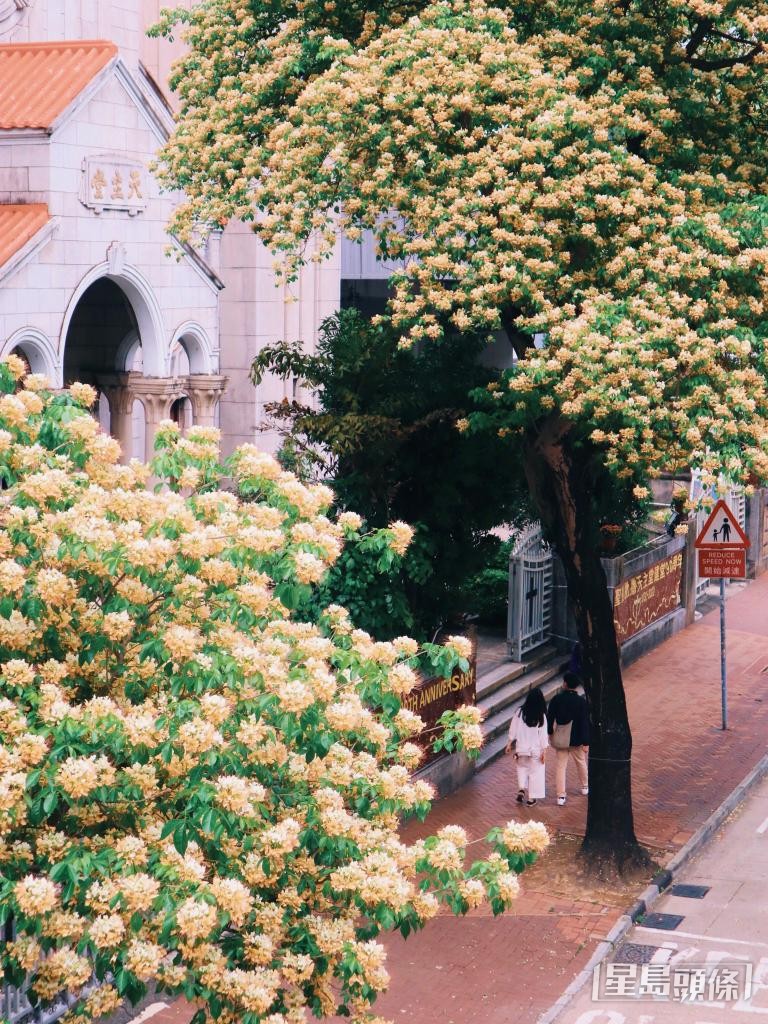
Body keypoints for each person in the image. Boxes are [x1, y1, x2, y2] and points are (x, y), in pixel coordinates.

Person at [547, 669, 590, 806]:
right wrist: (586, 741)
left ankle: (561, 796)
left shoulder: (556, 699)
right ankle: (585, 786)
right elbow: (584, 722)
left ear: (565, 684)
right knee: (581, 762)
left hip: (561, 738)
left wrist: (550, 732)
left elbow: (550, 717)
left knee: (561, 767)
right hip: (577, 739)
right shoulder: (581, 702)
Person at [505, 686, 548, 806]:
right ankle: (531, 798)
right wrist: (544, 751)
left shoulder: (519, 712)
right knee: (535, 772)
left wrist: (509, 743)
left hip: (521, 749)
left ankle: (521, 788)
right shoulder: (541, 716)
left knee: (522, 769)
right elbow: (543, 736)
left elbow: (513, 728)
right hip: (535, 750)